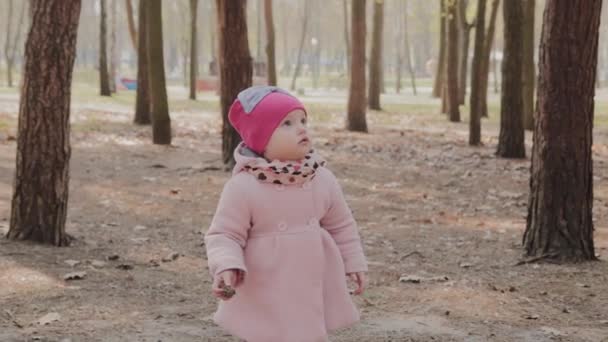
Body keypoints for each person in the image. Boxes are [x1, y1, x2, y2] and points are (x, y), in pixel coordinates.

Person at [205, 85, 368, 342]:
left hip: (311, 275)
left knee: (308, 331)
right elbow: (225, 234)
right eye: (287, 124)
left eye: (303, 120)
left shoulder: (321, 177)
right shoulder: (244, 186)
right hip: (265, 281)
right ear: (262, 138)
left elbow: (342, 225)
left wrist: (353, 261)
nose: (301, 128)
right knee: (270, 333)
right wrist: (226, 263)